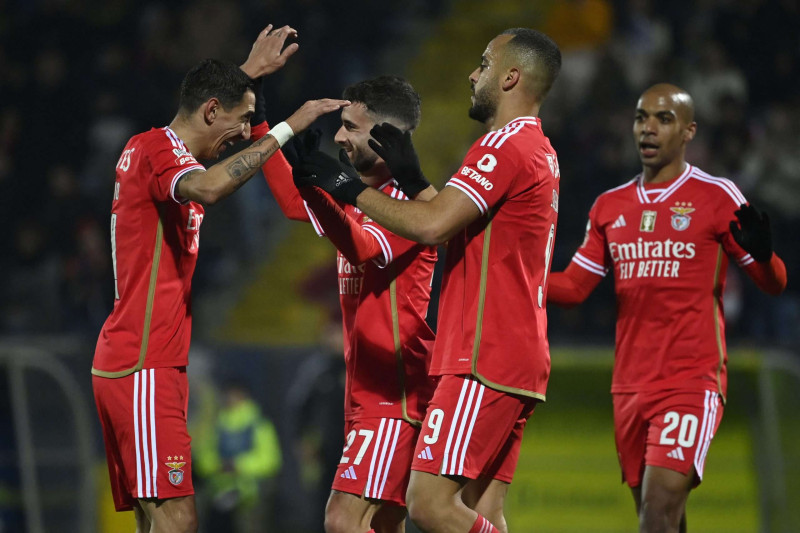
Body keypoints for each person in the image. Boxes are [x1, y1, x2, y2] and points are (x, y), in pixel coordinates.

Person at [290, 28, 562, 533]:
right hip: (517, 355)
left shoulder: (502, 145)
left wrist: (346, 187)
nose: (473, 74)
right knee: (482, 513)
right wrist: (415, 182)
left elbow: (433, 226)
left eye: (485, 63)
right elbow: (461, 228)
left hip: (482, 353)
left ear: (511, 77)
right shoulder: (538, 148)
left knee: (430, 505)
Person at [90, 24, 349, 533]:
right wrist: (284, 129)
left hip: (143, 360)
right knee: (178, 519)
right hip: (143, 363)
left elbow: (215, 111)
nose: (245, 132)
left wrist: (246, 75)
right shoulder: (160, 151)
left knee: (155, 519)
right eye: (243, 119)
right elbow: (210, 188)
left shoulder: (158, 151)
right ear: (211, 111)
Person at [546, 84, 787, 533]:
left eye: (664, 118)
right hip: (630, 386)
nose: (648, 128)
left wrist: (765, 256)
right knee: (663, 518)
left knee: (656, 512)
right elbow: (575, 287)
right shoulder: (609, 206)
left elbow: (774, 284)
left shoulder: (718, 196)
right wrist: (516, 279)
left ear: (689, 131)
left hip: (691, 380)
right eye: (641, 118)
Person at [258, 74, 438, 533]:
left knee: (343, 519)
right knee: (381, 525)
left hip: (395, 396)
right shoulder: (363, 200)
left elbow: (361, 247)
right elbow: (293, 203)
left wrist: (333, 187)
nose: (339, 136)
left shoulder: (407, 206)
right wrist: (265, 130)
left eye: (351, 127)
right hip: (365, 395)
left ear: (387, 135)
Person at [193, 379, 281, 533]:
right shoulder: (217, 424)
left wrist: (238, 465)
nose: (231, 399)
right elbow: (204, 458)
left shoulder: (258, 423)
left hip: (250, 495)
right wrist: (218, 465)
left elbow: (270, 460)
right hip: (218, 494)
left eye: (235, 395)